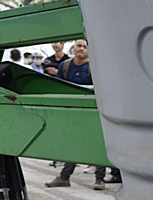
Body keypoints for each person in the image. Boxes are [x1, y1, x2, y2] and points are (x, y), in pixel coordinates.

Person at [44, 41, 119, 187]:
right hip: (71, 112)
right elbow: (58, 88)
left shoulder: (93, 67)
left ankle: (99, 178)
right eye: (79, 46)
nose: (82, 49)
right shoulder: (65, 66)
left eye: (85, 47)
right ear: (74, 48)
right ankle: (64, 177)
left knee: (97, 143)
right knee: (73, 143)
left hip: (92, 112)